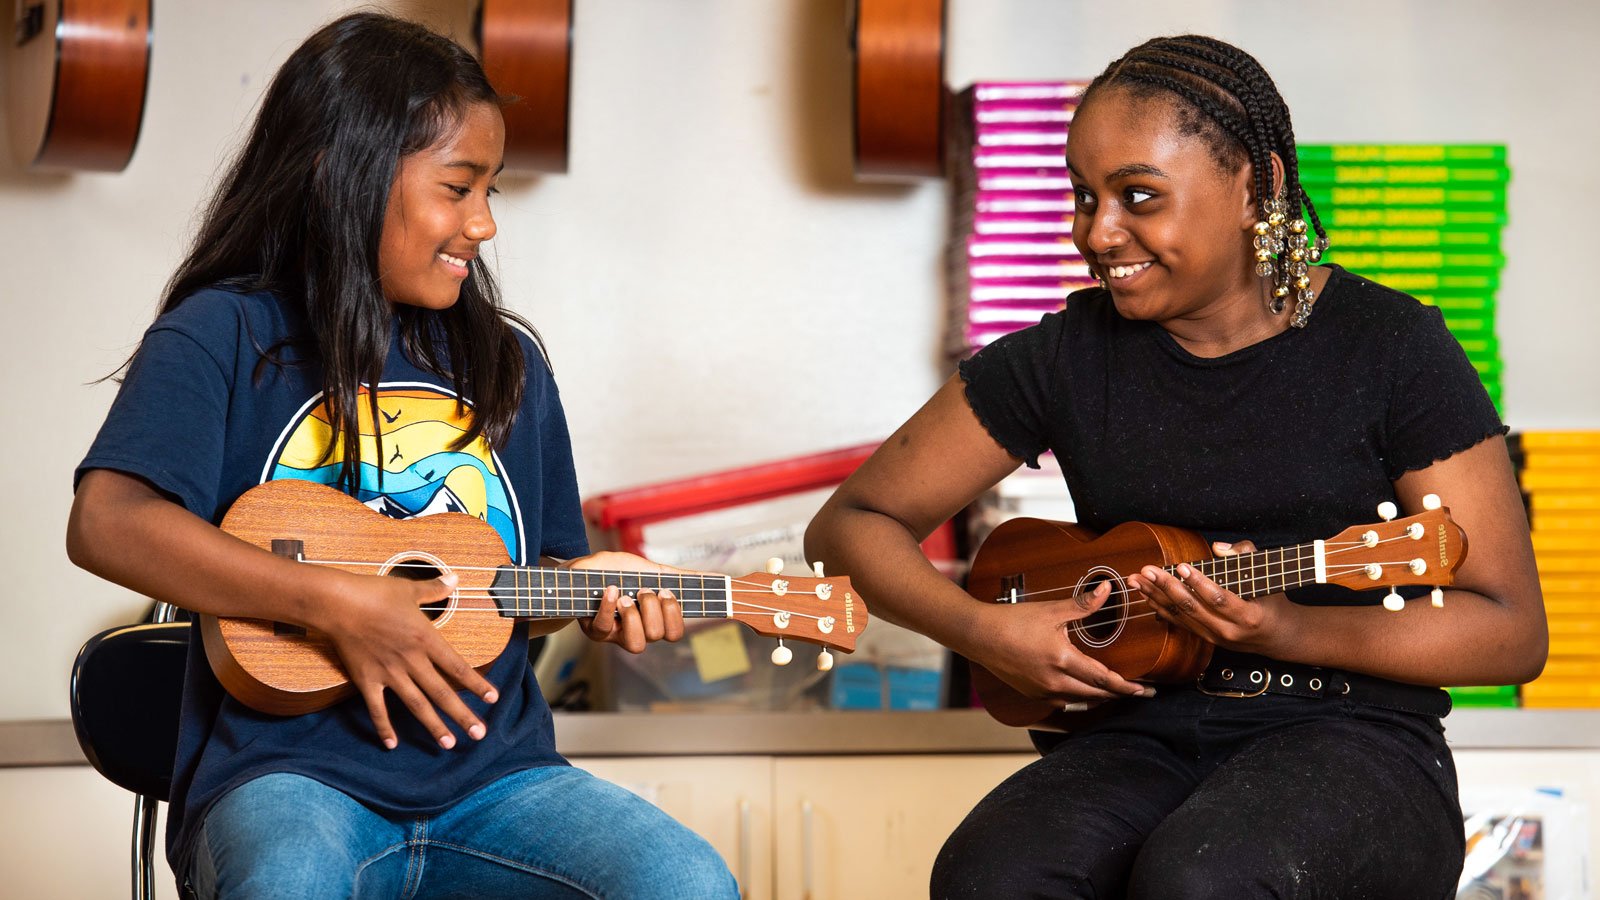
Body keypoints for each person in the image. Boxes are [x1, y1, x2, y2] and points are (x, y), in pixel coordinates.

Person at [805, 34, 1545, 900]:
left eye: (1138, 196)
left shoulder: (1390, 350)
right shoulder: (1064, 358)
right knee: (990, 874)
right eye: (1083, 196)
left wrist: (1290, 629)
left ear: (1255, 186)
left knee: (1206, 881)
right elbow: (848, 528)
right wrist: (984, 631)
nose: (1097, 232)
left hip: (1354, 738)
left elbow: (1508, 630)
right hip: (1136, 728)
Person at [66, 13, 737, 899]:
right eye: (458, 189)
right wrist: (341, 604)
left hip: (497, 783)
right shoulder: (219, 335)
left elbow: (513, 591)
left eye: (491, 192)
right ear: (337, 172)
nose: (484, 225)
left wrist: (596, 588)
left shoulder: (509, 365)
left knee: (685, 880)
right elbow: (107, 523)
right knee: (288, 880)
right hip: (284, 781)